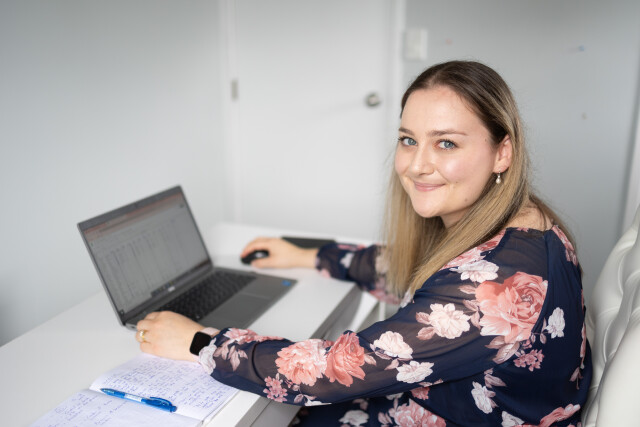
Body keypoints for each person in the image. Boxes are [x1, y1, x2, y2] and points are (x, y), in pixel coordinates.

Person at [135, 60, 592, 426]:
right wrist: (312, 255)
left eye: (447, 144)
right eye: (408, 140)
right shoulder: (527, 226)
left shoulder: (490, 290)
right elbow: (417, 267)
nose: (417, 165)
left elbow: (331, 372)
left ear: (502, 152)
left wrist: (200, 343)